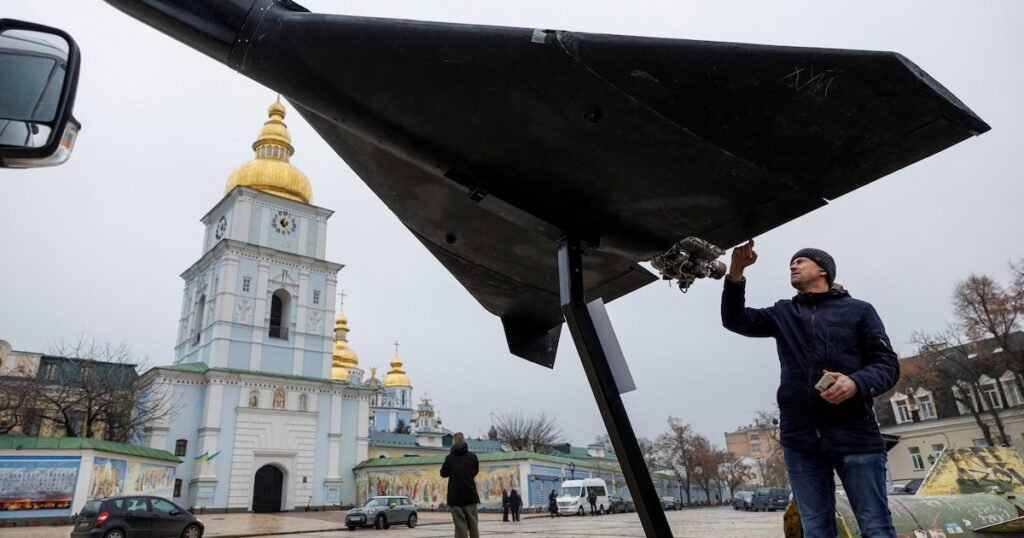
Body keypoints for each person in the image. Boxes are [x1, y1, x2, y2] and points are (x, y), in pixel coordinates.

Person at [721, 240, 899, 537]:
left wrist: (855, 383)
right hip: (800, 439)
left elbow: (887, 365)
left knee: (876, 525)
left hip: (855, 434)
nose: (793, 265)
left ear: (823, 271)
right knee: (815, 529)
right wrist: (736, 272)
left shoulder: (859, 311)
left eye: (801, 261)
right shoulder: (783, 312)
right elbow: (734, 319)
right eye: (791, 262)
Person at [440, 432, 480, 538]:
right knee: (473, 525)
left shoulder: (449, 458)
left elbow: (443, 474)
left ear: (453, 442)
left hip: (455, 498)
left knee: (460, 526)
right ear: (464, 441)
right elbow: (475, 471)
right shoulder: (472, 457)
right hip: (470, 495)